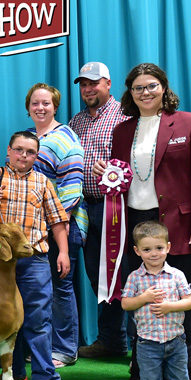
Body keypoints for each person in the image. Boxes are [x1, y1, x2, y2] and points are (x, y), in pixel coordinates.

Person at [95, 62, 191, 380]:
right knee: (138, 302)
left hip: (178, 227)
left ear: (163, 88)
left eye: (151, 86)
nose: (145, 92)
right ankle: (140, 374)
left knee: (181, 304)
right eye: (138, 88)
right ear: (129, 94)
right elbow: (121, 179)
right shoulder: (121, 131)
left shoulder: (189, 122)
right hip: (133, 226)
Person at [0, 131, 70, 380]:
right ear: (8, 151)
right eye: (19, 150)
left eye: (30, 152)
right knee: (0, 321)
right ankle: (11, 375)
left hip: (33, 260)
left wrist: (63, 252)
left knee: (37, 319)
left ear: (36, 156)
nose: (23, 156)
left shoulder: (43, 182)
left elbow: (58, 221)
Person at [68, 62, 129, 358]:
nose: (88, 89)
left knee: (122, 273)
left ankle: (137, 341)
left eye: (94, 83)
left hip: (116, 209)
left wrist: (116, 169)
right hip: (84, 209)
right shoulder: (76, 122)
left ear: (108, 83)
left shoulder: (125, 116)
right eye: (84, 84)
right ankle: (111, 340)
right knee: (97, 275)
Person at [25, 83, 85, 367]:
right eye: (35, 103)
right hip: (32, 228)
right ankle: (42, 345)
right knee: (39, 288)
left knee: (61, 286)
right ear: (28, 107)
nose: (40, 108)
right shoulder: (27, 139)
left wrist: (55, 225)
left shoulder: (65, 137)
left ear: (55, 106)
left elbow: (72, 187)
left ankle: (65, 348)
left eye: (46, 103)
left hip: (61, 225)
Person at [121, 220, 191, 380]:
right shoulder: (135, 278)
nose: (154, 254)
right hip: (147, 343)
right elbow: (126, 303)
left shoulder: (176, 275)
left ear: (168, 248)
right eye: (147, 249)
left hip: (176, 341)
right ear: (137, 251)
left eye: (159, 248)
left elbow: (189, 302)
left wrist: (169, 307)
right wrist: (144, 297)